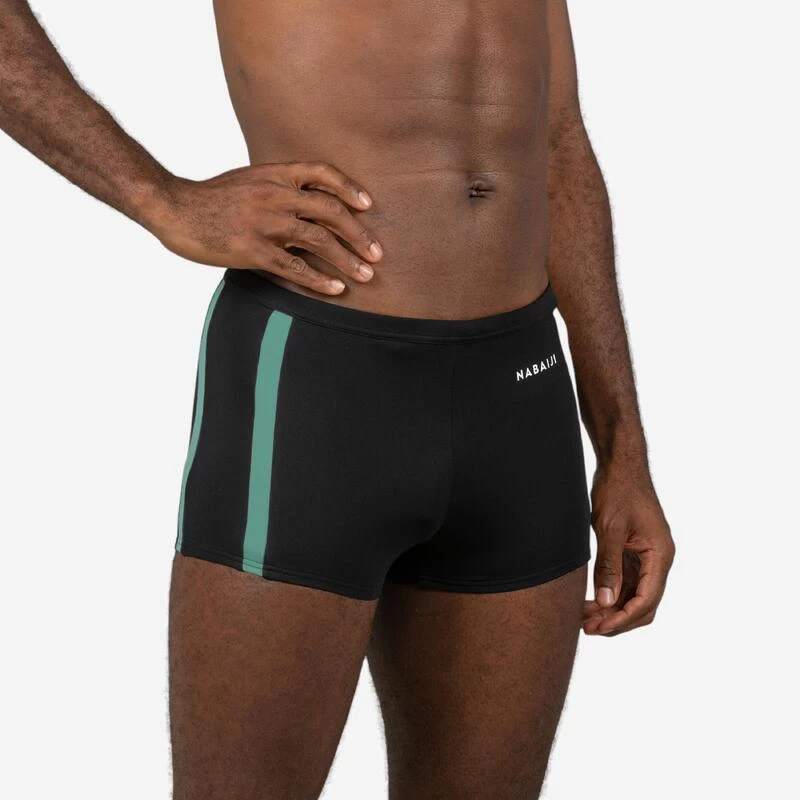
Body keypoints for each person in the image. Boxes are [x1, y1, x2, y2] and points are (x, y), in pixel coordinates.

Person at [0, 1, 675, 797]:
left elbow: (557, 138)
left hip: (520, 395)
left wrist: (623, 446)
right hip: (320, 383)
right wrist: (159, 198)